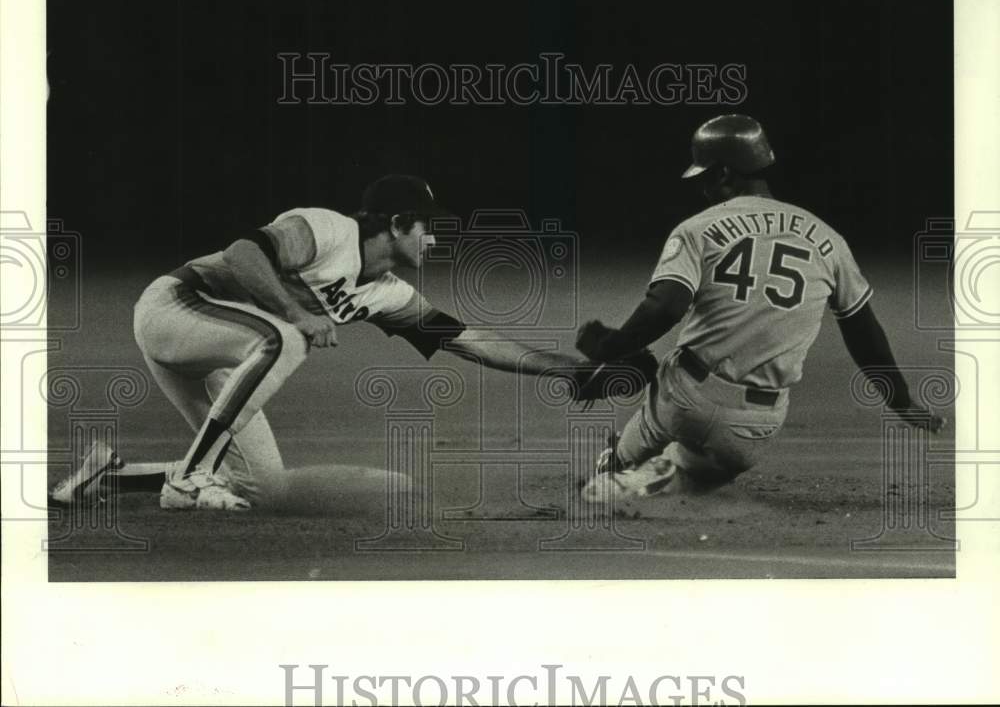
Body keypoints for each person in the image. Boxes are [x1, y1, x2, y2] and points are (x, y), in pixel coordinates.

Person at [52, 174, 647, 511]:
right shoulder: (327, 228)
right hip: (173, 309)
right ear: (397, 224)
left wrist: (569, 371)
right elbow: (243, 253)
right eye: (428, 229)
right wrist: (297, 314)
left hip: (228, 345)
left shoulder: (387, 292)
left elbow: (471, 340)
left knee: (262, 488)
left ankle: (107, 477)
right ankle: (188, 480)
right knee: (287, 338)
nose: (434, 243)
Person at [576, 114, 945, 504]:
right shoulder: (828, 239)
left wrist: (614, 347)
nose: (702, 188)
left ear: (723, 174)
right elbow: (863, 332)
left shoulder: (698, 228)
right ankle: (659, 476)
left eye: (704, 177)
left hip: (686, 397)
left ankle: (617, 464)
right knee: (708, 471)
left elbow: (665, 306)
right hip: (756, 427)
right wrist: (901, 400)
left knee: (663, 389)